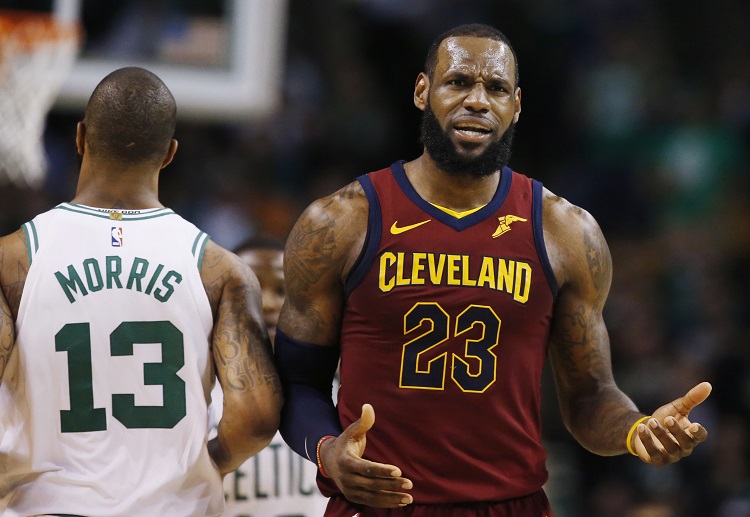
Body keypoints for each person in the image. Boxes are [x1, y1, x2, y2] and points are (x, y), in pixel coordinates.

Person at [274, 23, 712, 516]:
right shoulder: (340, 221)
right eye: (459, 82)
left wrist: (636, 430)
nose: (478, 101)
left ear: (516, 105)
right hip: (377, 504)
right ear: (423, 91)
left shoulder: (566, 232)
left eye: (496, 88)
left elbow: (590, 397)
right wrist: (328, 449)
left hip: (510, 505)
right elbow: (297, 382)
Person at [0, 67, 282, 516]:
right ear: (170, 153)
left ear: (80, 138)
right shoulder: (219, 269)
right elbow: (258, 418)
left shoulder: (13, 259)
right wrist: (208, 464)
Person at [209, 235, 330, 516]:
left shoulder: (332, 396)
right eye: (249, 291)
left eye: (282, 290)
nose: (267, 304)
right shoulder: (200, 398)